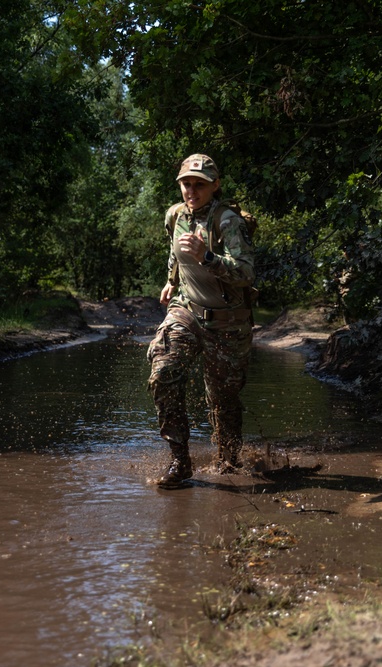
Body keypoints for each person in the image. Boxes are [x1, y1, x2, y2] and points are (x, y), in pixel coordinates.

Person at [147, 153, 255, 489]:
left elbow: (246, 273)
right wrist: (171, 280)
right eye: (186, 184)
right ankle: (180, 460)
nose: (191, 190)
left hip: (227, 322)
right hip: (187, 310)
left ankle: (229, 461)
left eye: (199, 184)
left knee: (223, 400)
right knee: (163, 371)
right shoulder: (174, 215)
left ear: (214, 186)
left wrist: (206, 257)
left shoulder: (227, 222)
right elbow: (173, 250)